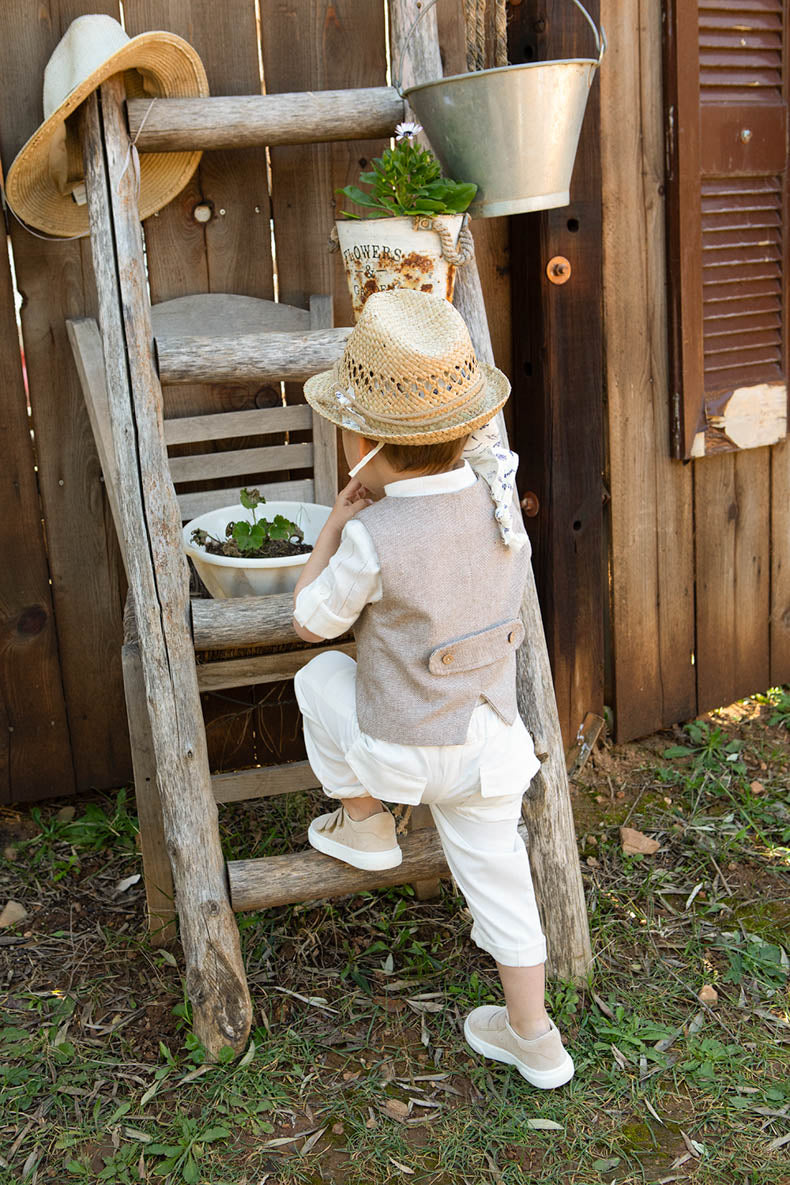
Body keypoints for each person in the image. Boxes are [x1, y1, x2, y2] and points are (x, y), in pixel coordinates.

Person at [291, 289, 574, 1090]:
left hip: (402, 752)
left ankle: (366, 822)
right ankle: (536, 1036)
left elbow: (311, 623)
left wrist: (333, 529)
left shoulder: (375, 536)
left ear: (360, 439)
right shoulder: (500, 504)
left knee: (319, 678)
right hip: (489, 744)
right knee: (502, 879)